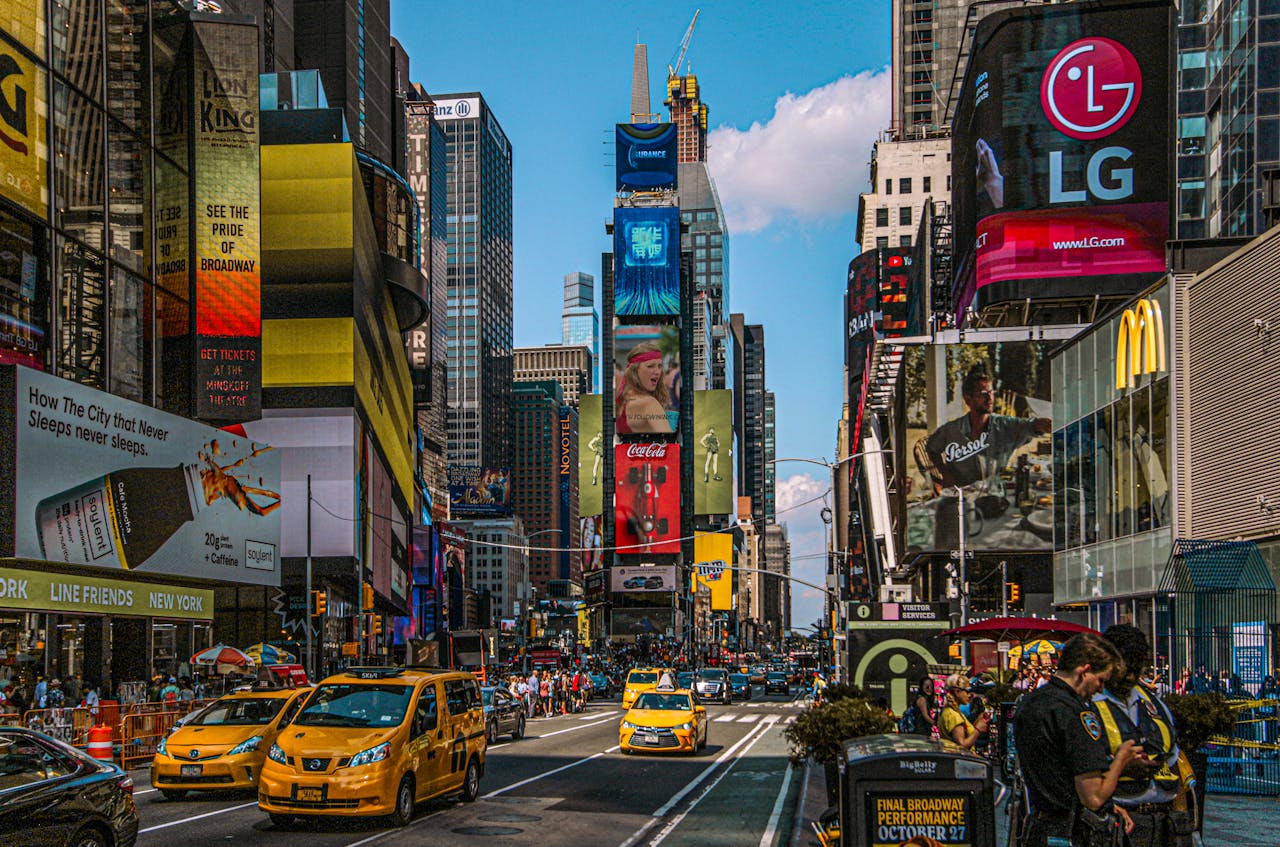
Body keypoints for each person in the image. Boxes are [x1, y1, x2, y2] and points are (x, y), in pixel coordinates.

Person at [1013, 632, 1142, 847]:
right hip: (1073, 831)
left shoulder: (1030, 703)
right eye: (1100, 680)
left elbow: (1057, 770)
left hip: (1039, 825)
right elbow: (1093, 797)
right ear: (1085, 670)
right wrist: (1122, 759)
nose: (1101, 688)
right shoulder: (1075, 713)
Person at [924, 370, 1051, 549]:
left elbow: (1029, 425)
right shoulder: (952, 430)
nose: (990, 398)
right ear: (968, 400)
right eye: (983, 394)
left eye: (991, 392)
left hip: (996, 501)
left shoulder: (1004, 425)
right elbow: (931, 447)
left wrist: (1045, 424)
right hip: (964, 505)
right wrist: (945, 473)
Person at [1093, 625, 1195, 847]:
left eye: (1137, 669)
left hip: (1163, 822)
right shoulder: (1088, 705)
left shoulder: (1155, 705)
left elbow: (1174, 763)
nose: (1131, 676)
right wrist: (1120, 768)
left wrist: (1184, 824)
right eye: (1125, 668)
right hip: (1116, 821)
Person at [614, 342, 673, 434]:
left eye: (659, 366)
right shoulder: (649, 403)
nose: (657, 372)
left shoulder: (623, 398)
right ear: (634, 370)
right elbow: (668, 444)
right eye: (650, 366)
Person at [939, 673, 989, 750]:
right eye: (967, 691)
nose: (969, 695)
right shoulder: (953, 715)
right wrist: (978, 730)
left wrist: (979, 721)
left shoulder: (949, 711)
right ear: (957, 692)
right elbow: (962, 745)